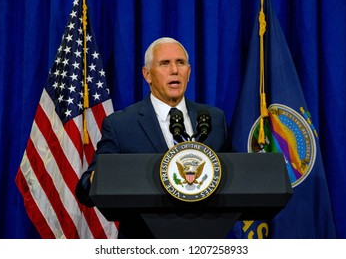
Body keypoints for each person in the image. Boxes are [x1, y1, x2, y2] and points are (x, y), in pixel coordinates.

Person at [75, 37, 231, 238]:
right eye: (165, 63)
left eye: (180, 63)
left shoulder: (213, 119)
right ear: (147, 74)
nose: (174, 70)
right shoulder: (122, 125)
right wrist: (111, 175)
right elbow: (86, 187)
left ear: (189, 72)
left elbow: (230, 177)